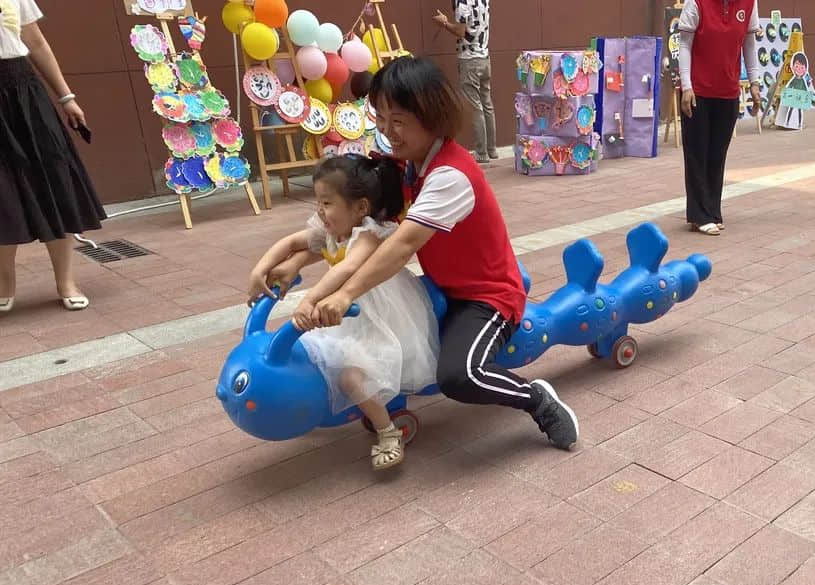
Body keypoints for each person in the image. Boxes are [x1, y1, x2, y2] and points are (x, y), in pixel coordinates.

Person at [304, 56, 579, 451]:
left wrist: (345, 293)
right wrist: (288, 259)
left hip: (486, 296)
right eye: (382, 118)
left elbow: (403, 245)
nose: (387, 131)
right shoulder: (403, 167)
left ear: (432, 117)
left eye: (398, 121)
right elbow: (351, 222)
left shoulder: (450, 175)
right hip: (439, 289)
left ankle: (537, 401)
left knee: (459, 376)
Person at [246, 155, 439, 470]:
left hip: (381, 321)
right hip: (347, 315)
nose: (320, 211)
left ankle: (388, 432)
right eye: (317, 202)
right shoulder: (332, 231)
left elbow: (348, 268)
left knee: (350, 377)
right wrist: (260, 269)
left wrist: (309, 300)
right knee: (317, 357)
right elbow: (292, 242)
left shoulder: (369, 234)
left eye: (327, 202)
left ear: (360, 207)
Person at [0, 0, 105, 312]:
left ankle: (66, 282)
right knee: (2, 192)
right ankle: (4, 282)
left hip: (23, 91)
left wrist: (66, 97)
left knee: (54, 178)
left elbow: (35, 42)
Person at [678, 0, 762, 236]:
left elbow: (749, 44)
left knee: (717, 155)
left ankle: (713, 212)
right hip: (697, 92)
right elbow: (684, 44)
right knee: (697, 154)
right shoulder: (697, 3)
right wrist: (686, 86)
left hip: (728, 92)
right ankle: (699, 215)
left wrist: (754, 83)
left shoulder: (749, 3)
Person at [433, 2, 497, 165]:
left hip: (469, 59)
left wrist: (444, 23)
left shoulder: (462, 3)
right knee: (487, 104)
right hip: (484, 57)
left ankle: (481, 153)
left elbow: (460, 31)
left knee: (475, 107)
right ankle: (491, 149)